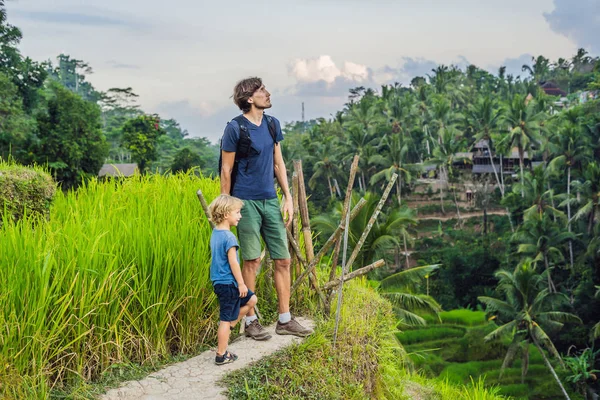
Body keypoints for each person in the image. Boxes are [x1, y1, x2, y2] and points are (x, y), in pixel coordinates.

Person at [220, 77, 313, 340]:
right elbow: (226, 169)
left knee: (283, 259)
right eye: (262, 91)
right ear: (249, 99)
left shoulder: (272, 124)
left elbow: (278, 163)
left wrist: (288, 197)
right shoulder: (235, 128)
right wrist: (227, 206)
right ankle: (251, 321)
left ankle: (285, 319)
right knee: (252, 260)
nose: (268, 94)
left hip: (270, 200)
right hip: (244, 202)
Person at [209, 194, 258, 365]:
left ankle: (230, 326)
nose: (240, 216)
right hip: (229, 283)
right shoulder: (229, 237)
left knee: (252, 299)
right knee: (224, 318)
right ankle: (221, 354)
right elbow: (233, 263)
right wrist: (241, 283)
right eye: (237, 212)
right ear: (225, 214)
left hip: (219, 282)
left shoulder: (216, 233)